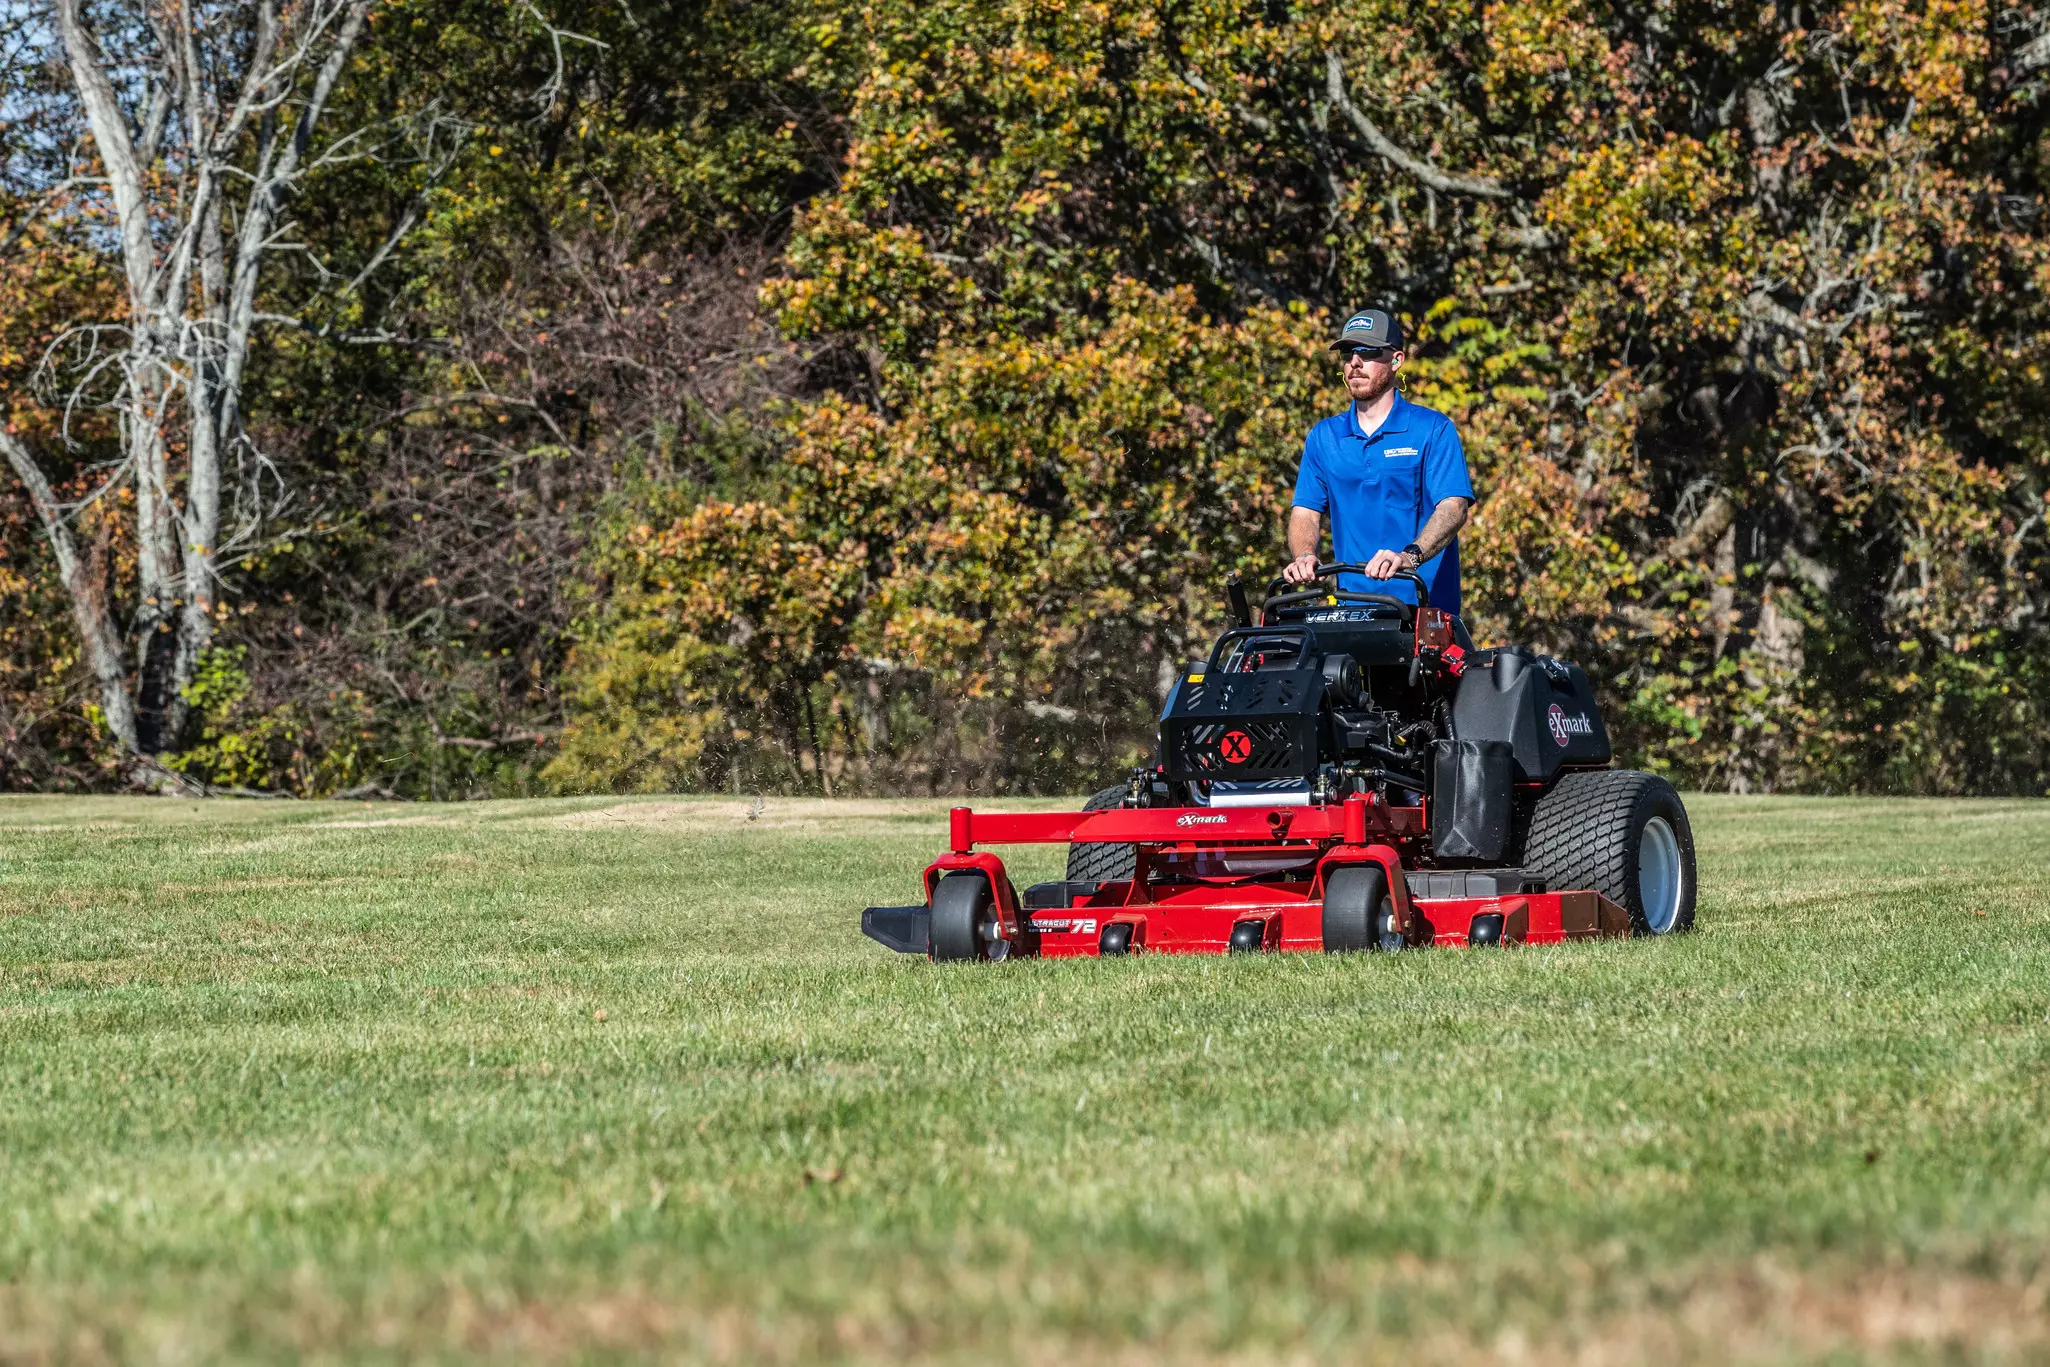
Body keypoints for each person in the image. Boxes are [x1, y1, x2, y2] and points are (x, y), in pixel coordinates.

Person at [1282, 308, 1474, 618]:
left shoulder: (1433, 429)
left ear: (1397, 360)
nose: (1355, 362)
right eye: (1348, 353)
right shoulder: (1324, 437)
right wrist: (1305, 556)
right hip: (1352, 612)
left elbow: (1454, 508)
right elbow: (1305, 512)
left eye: (1368, 351)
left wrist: (1409, 557)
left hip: (1425, 614)